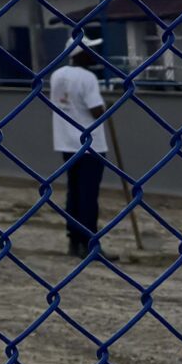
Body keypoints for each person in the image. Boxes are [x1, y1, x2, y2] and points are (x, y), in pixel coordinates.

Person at [47, 45, 110, 259]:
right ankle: (89, 241)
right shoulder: (88, 78)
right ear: (79, 54)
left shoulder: (57, 75)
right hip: (91, 146)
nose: (95, 55)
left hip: (66, 141)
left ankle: (74, 240)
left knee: (74, 191)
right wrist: (108, 107)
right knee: (88, 194)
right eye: (90, 51)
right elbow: (96, 111)